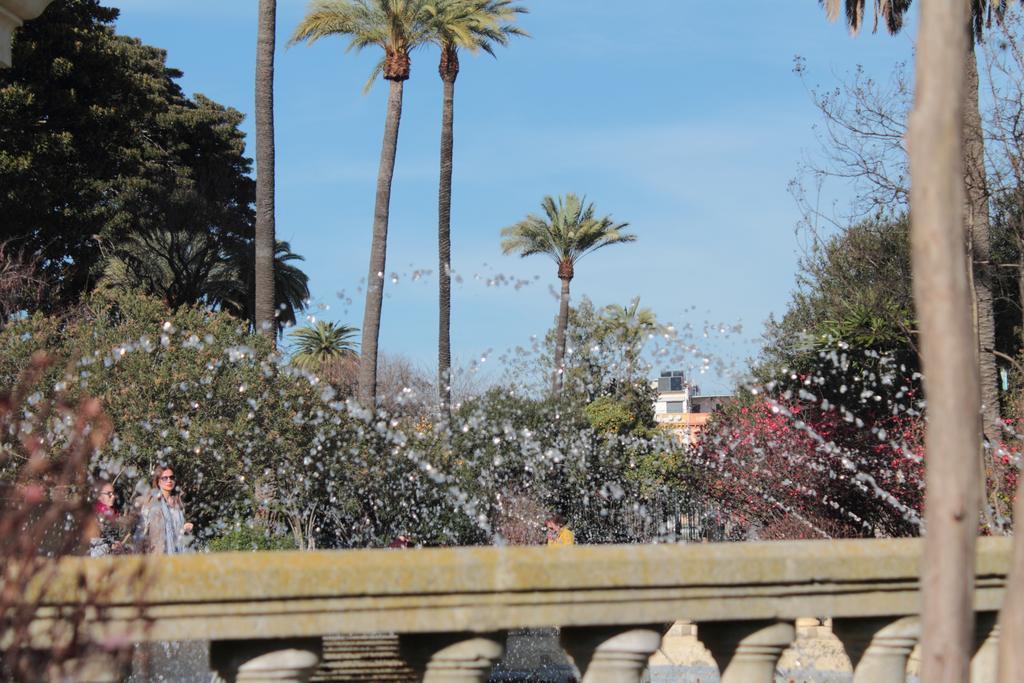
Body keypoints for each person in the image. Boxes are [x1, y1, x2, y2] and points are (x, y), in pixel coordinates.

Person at [137, 465, 193, 555]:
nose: (169, 480)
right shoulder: (151, 501)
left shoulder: (178, 502)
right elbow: (142, 530)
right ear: (158, 481)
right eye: (164, 478)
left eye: (171, 477)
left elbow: (176, 531)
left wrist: (185, 528)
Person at [88, 478, 127, 557]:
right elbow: (91, 550)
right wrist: (110, 546)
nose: (113, 497)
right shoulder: (93, 517)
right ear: (99, 496)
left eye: (113, 493)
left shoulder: (114, 513)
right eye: (109, 494)